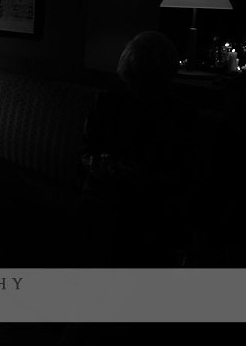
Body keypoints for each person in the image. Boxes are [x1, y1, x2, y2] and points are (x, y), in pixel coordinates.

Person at [78, 30, 198, 267]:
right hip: (103, 193)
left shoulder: (180, 116)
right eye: (134, 76)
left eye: (149, 78)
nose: (139, 85)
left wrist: (141, 176)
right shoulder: (105, 104)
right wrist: (97, 164)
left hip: (150, 202)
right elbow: (85, 152)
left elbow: (182, 177)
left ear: (163, 78)